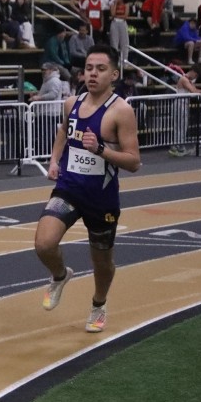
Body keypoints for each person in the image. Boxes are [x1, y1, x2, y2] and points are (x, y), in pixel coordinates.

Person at [34, 44, 141, 334]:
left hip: (101, 199)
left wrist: (101, 150)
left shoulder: (121, 111)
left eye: (100, 69)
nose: (92, 74)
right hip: (68, 189)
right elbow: (63, 131)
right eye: (89, 68)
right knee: (44, 244)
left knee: (102, 262)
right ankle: (60, 275)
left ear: (114, 75)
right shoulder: (72, 103)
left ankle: (98, 304)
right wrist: (54, 160)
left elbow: (134, 162)